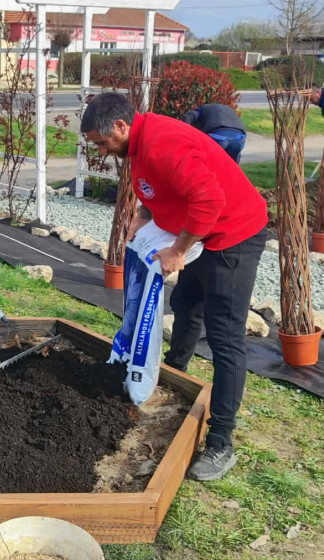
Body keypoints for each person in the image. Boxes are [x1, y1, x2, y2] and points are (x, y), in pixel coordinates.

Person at [81, 93, 268, 482]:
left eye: (102, 142)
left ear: (120, 126)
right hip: (202, 235)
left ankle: (221, 442)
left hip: (232, 235)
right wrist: (143, 215)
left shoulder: (164, 143)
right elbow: (156, 188)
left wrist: (178, 250)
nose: (101, 150)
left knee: (225, 338)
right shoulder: (137, 145)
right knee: (185, 303)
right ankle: (174, 374)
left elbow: (209, 200)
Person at [180, 103, 247, 163]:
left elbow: (188, 117)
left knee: (211, 164)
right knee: (233, 167)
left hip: (218, 136)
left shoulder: (201, 110)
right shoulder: (228, 109)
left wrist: (186, 132)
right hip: (239, 137)